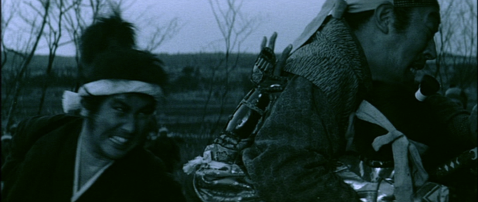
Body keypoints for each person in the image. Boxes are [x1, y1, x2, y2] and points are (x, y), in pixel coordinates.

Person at [239, 0, 476, 201]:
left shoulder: (364, 71)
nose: (432, 52)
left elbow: (428, 104)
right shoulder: (325, 69)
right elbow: (284, 173)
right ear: (386, 18)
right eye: (429, 30)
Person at [1, 13, 185, 202]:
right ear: (89, 104)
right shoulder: (41, 135)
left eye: (143, 113)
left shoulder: (154, 182)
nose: (131, 127)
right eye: (120, 108)